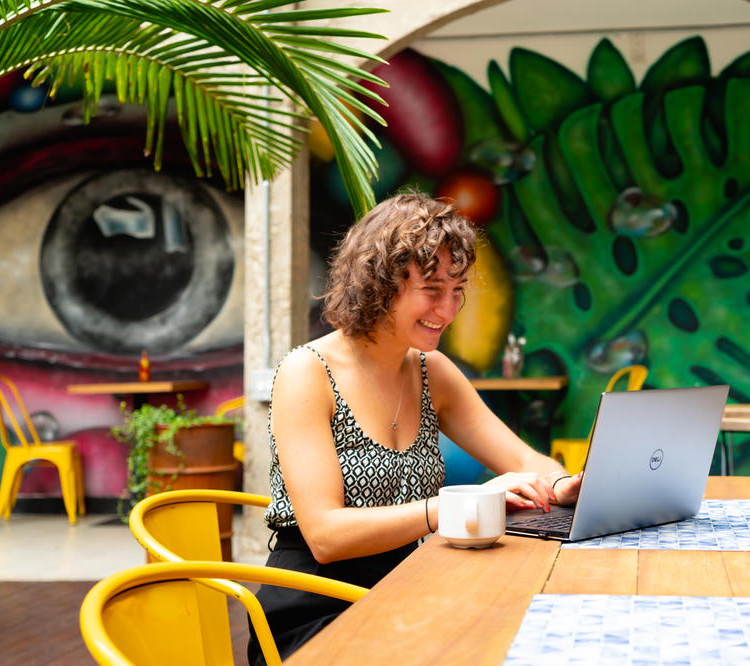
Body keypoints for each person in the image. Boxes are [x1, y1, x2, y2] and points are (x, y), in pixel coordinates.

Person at [248, 192, 582, 663]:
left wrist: (562, 484)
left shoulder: (432, 371)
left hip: (407, 592)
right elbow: (325, 537)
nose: (447, 309)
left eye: (458, 288)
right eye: (431, 289)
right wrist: (455, 506)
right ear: (379, 283)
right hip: (316, 608)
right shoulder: (308, 371)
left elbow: (525, 461)